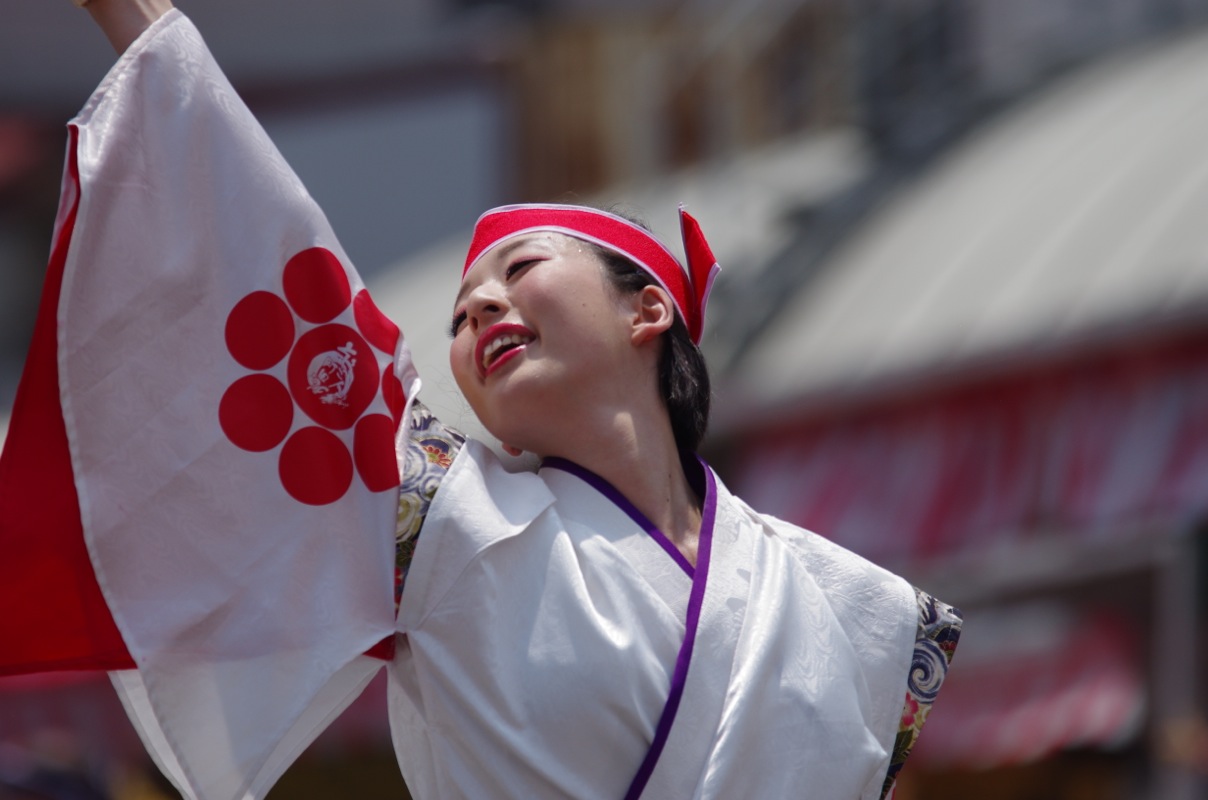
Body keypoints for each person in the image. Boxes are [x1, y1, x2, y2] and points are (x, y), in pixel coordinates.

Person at [2, 1, 961, 798]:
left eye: (521, 268)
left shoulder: (847, 602)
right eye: (461, 313)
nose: (480, 307)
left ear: (651, 307)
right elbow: (264, 241)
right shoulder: (445, 516)